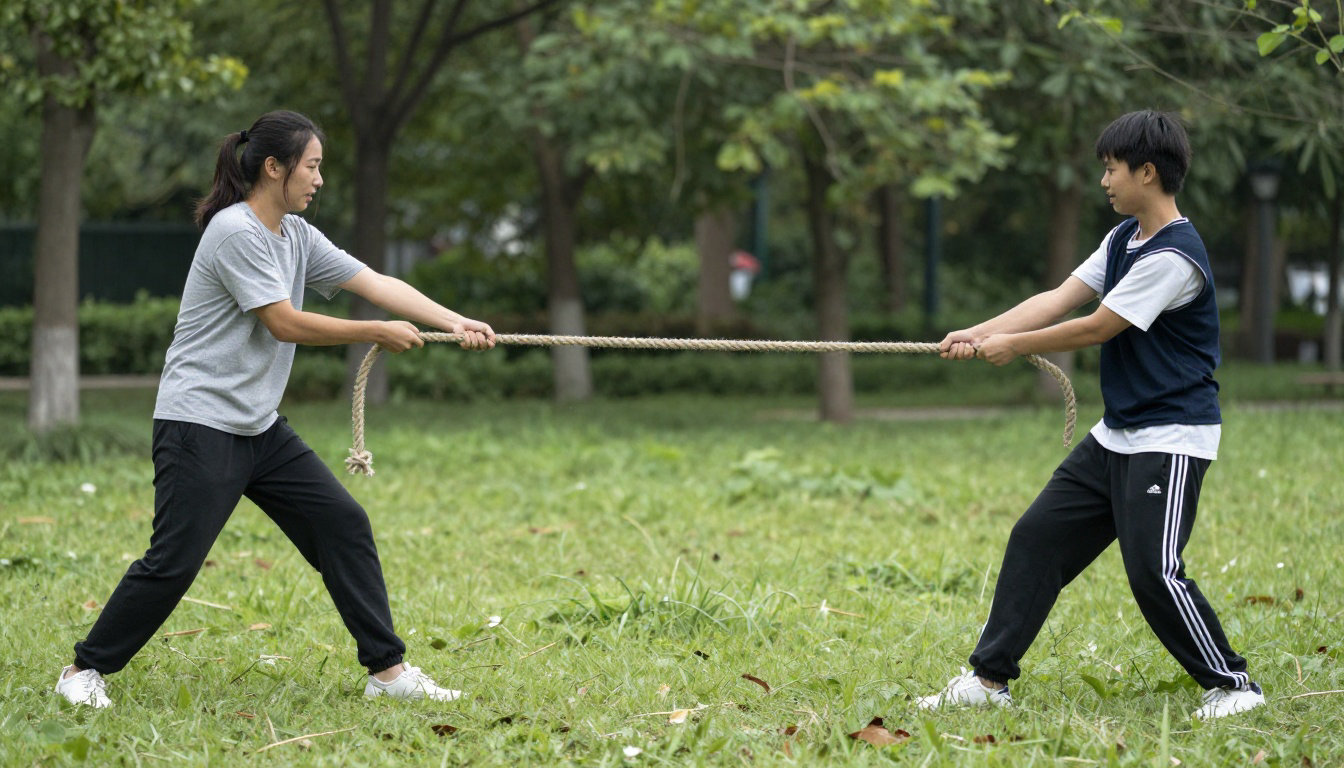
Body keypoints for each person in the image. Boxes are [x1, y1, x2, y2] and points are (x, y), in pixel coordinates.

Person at [55, 110, 495, 709]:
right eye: (311, 167)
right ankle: (83, 671)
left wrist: (453, 320)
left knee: (342, 524)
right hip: (200, 424)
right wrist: (374, 333)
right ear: (273, 167)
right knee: (175, 561)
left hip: (259, 427)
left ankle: (387, 674)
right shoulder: (235, 232)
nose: (318, 179)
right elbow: (284, 324)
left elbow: (375, 280)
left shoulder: (297, 236)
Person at [920, 110, 1263, 720]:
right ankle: (988, 679)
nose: (1104, 180)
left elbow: (1102, 325)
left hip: (1171, 435)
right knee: (1036, 539)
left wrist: (1015, 346)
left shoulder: (1173, 256)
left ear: (1148, 172)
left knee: (1154, 572)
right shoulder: (1123, 239)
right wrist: (978, 332)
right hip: (1117, 435)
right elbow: (1059, 299)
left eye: (1112, 168)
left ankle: (1234, 684)